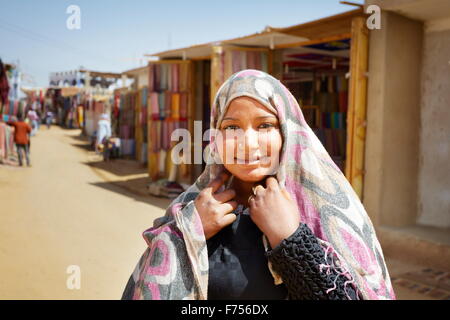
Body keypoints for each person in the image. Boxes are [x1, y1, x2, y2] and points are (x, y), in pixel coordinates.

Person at [121, 70, 396, 300]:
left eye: (264, 125)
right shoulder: (192, 209)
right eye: (231, 127)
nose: (248, 143)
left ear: (287, 132)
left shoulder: (328, 211)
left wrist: (291, 239)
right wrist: (189, 232)